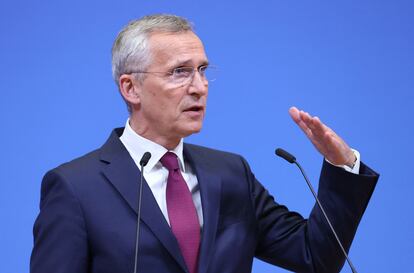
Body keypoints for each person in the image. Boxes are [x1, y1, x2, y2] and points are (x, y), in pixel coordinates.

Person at [30, 14, 379, 273]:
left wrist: (342, 167)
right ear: (130, 88)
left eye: (202, 69)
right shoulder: (76, 187)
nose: (200, 86)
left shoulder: (230, 173)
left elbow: (315, 255)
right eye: (179, 72)